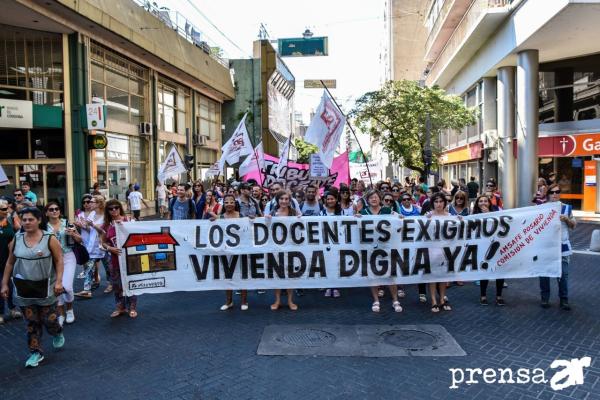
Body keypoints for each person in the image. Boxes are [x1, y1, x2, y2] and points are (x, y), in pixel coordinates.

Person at [1, 207, 65, 368]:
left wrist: (58, 282)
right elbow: (10, 262)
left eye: (31, 219)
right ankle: (35, 352)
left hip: (45, 287)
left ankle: (56, 332)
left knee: (49, 319)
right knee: (31, 323)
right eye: (24, 220)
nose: (27, 222)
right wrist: (4, 284)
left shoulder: (49, 239)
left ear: (39, 220)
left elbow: (59, 261)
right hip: (23, 289)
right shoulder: (17, 238)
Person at [358, 190, 402, 313]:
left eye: (376, 197)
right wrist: (356, 219)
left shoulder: (387, 211)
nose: (374, 199)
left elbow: (398, 219)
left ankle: (395, 300)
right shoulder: (363, 213)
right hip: (371, 248)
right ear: (368, 200)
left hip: (387, 247)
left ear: (380, 199)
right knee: (373, 275)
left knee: (390, 274)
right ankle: (376, 300)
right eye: (371, 197)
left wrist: (400, 217)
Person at [540, 184, 575, 310]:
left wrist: (566, 219)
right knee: (544, 274)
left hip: (562, 247)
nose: (554, 194)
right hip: (546, 247)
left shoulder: (566, 208)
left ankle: (564, 300)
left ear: (560, 193)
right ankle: (545, 298)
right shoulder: (542, 208)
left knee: (563, 275)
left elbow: (573, 226)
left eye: (557, 192)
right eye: (552, 192)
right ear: (548, 194)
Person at [46, 202, 82, 325]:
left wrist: (73, 234)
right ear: (47, 213)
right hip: (51, 259)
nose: (54, 211)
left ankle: (70, 309)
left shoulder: (68, 224)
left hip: (68, 256)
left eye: (56, 209)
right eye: (51, 209)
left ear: (60, 211)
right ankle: (61, 313)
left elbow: (80, 240)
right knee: (56, 287)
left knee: (66, 286)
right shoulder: (44, 227)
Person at [100, 200, 137, 318]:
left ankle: (132, 307)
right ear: (108, 211)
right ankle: (120, 307)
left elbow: (137, 235)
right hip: (115, 259)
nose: (114, 210)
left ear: (120, 208)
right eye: (111, 209)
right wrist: (110, 248)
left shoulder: (129, 220)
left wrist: (125, 226)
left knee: (131, 283)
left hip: (130, 258)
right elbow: (103, 242)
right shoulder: (106, 225)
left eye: (116, 207)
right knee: (116, 285)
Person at [267, 191, 299, 311]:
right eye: (282, 199)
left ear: (289, 200)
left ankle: (290, 301)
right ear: (277, 200)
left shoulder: (294, 212)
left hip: (291, 247)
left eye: (286, 199)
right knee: (278, 275)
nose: (284, 201)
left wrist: (300, 219)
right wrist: (268, 219)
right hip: (276, 248)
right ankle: (277, 301)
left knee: (290, 274)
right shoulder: (273, 213)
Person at [472, 194, 505, 306]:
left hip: (496, 246)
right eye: (480, 201)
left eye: (485, 201)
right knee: (484, 270)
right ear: (477, 203)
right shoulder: (474, 215)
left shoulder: (497, 213)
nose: (483, 203)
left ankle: (499, 296)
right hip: (482, 247)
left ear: (489, 203)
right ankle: (483, 295)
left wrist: (488, 215)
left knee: (499, 271)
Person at [217, 194, 249, 311]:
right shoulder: (220, 217)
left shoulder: (241, 216)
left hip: (240, 251)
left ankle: (244, 301)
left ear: (235, 203)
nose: (229, 204)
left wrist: (251, 219)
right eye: (226, 202)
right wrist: (210, 221)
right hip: (226, 252)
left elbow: (247, 231)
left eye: (231, 202)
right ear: (223, 204)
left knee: (243, 275)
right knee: (228, 276)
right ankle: (229, 301)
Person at [74, 195, 106, 299]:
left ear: (99, 204)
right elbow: (90, 230)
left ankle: (112, 284)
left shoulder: (105, 216)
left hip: (104, 245)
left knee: (110, 268)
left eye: (92, 202)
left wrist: (92, 225)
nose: (89, 204)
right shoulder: (92, 214)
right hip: (92, 246)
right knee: (88, 267)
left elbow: (104, 232)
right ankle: (87, 290)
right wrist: (81, 225)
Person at [427, 192, 452, 313]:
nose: (438, 204)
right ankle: (433, 300)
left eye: (441, 201)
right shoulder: (428, 216)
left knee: (442, 276)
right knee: (432, 276)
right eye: (436, 201)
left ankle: (442, 299)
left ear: (444, 203)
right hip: (431, 250)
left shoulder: (449, 216)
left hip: (445, 250)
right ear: (432, 203)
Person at [0, 199, 21, 323]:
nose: (6, 210)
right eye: (3, 209)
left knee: (10, 286)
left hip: (7, 260)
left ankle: (12, 309)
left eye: (7, 208)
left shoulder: (8, 221)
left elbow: (13, 239)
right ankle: (1, 312)